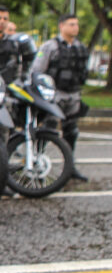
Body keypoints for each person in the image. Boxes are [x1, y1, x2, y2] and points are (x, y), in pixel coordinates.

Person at [31, 13, 89, 181]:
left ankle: (69, 168)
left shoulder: (80, 47)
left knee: (71, 132)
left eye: (76, 24)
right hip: (55, 94)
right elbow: (37, 71)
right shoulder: (50, 46)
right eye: (71, 24)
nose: (75, 28)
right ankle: (36, 163)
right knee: (48, 129)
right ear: (61, 26)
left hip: (73, 94)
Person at [0, 5, 21, 84]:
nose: (2, 21)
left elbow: (18, 68)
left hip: (8, 87)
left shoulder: (14, 43)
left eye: (5, 19)